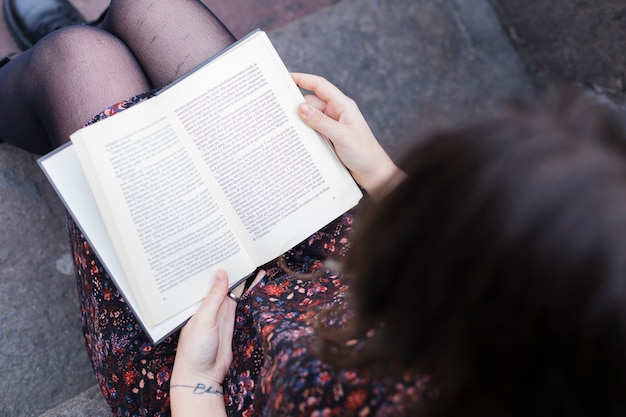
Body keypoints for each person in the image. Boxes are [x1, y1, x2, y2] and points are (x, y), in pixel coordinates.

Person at [2, 1, 626, 417]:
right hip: (339, 273)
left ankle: (39, 71)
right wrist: (375, 167)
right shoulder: (577, 297)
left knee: (76, 62)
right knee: (151, 7)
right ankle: (58, 64)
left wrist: (194, 387)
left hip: (216, 360)